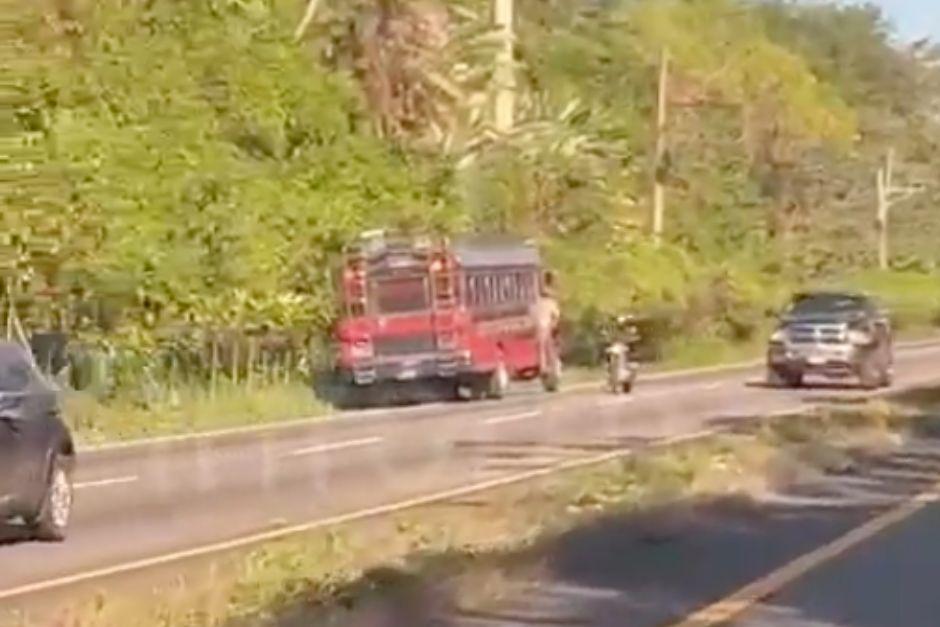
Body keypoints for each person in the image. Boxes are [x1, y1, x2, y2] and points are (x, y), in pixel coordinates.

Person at [531, 271, 561, 374]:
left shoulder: (536, 303)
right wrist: (554, 324)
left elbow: (532, 314)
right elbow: (556, 315)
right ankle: (550, 366)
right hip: (546, 324)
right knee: (548, 347)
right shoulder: (550, 301)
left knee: (541, 347)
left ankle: (544, 367)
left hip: (539, 324)